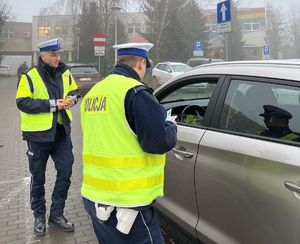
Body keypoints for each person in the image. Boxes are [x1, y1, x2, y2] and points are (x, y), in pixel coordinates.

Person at [81, 42, 177, 243]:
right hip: (127, 205)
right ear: (141, 63)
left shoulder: (94, 93)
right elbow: (157, 143)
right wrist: (171, 126)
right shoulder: (135, 92)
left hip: (94, 198)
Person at [16, 38, 80, 236]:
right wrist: (54, 105)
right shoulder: (29, 76)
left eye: (58, 54)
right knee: (38, 178)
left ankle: (57, 214)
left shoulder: (65, 71)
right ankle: (39, 216)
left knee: (66, 172)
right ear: (42, 55)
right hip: (38, 137)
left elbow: (74, 90)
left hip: (61, 134)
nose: (57, 57)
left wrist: (73, 99)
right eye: (53, 54)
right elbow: (22, 102)